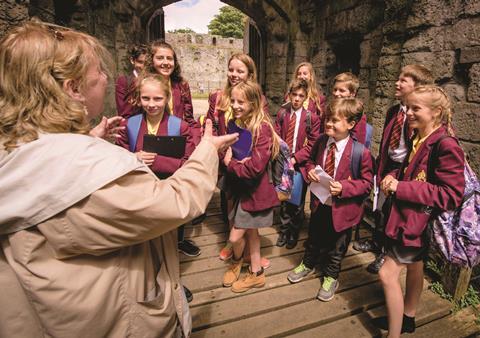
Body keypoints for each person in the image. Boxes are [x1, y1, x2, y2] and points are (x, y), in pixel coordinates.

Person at [0, 21, 238, 338]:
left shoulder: (18, 149)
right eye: (98, 71)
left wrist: (85, 136)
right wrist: (208, 150)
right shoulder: (85, 166)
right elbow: (174, 203)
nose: (106, 78)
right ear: (73, 89)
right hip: (115, 322)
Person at [373, 85, 465, 337]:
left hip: (415, 225)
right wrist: (392, 176)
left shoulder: (445, 145)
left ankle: (393, 334)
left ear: (436, 112)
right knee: (415, 266)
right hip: (409, 221)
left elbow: (451, 194)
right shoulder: (419, 137)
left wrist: (401, 187)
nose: (409, 113)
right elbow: (407, 171)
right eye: (407, 107)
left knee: (386, 274)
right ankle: (409, 317)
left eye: (416, 108)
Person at [287, 98, 374, 302]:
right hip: (320, 204)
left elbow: (367, 183)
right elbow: (309, 161)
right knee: (314, 237)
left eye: (335, 121)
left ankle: (331, 276)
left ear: (351, 124)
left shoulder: (360, 153)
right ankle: (307, 263)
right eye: (328, 119)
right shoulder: (320, 142)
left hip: (343, 210)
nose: (329, 124)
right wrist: (309, 172)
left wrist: (345, 187)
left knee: (337, 247)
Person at [366, 65, 434, 274]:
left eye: (403, 80)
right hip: (390, 165)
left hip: (408, 169)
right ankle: (377, 242)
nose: (397, 82)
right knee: (381, 206)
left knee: (394, 212)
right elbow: (388, 142)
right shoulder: (393, 111)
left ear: (418, 87)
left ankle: (386, 254)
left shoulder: (420, 118)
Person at [206, 53, 270, 267]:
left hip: (244, 161)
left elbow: (262, 130)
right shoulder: (218, 97)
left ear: (249, 74)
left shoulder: (257, 98)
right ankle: (231, 242)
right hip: (225, 156)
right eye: (231, 69)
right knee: (229, 202)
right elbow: (212, 125)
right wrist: (219, 152)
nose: (234, 74)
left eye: (240, 70)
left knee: (246, 205)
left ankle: (245, 248)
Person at [222, 81, 280, 293]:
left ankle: (237, 261)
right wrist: (230, 158)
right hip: (239, 187)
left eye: (241, 102)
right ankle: (255, 273)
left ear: (254, 103)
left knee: (235, 236)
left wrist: (231, 164)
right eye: (233, 100)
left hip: (253, 191)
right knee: (252, 233)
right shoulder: (238, 122)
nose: (235, 105)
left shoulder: (261, 129)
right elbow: (228, 149)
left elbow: (255, 168)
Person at [146, 40, 203, 255]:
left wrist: (193, 142)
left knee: (179, 190)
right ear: (152, 60)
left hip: (177, 142)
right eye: (160, 57)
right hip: (152, 143)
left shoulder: (181, 85)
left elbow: (188, 115)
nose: (165, 62)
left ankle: (178, 240)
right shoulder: (144, 84)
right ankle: (155, 243)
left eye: (169, 58)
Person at [274, 79, 321, 249]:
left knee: (297, 199)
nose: (296, 99)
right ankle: (284, 230)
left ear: (305, 97)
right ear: (289, 95)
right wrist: (283, 155)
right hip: (282, 161)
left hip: (298, 164)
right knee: (283, 197)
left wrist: (295, 158)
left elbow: (313, 144)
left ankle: (294, 231)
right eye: (294, 94)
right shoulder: (282, 113)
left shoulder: (311, 118)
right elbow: (276, 135)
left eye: (301, 96)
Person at [330, 72, 369, 145]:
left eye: (341, 90)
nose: (336, 93)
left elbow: (357, 142)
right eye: (335, 89)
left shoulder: (357, 115)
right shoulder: (330, 110)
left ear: (352, 94)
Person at [115, 44, 148, 118]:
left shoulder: (154, 81)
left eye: (146, 63)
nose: (143, 67)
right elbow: (122, 111)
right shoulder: (123, 81)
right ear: (132, 60)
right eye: (140, 62)